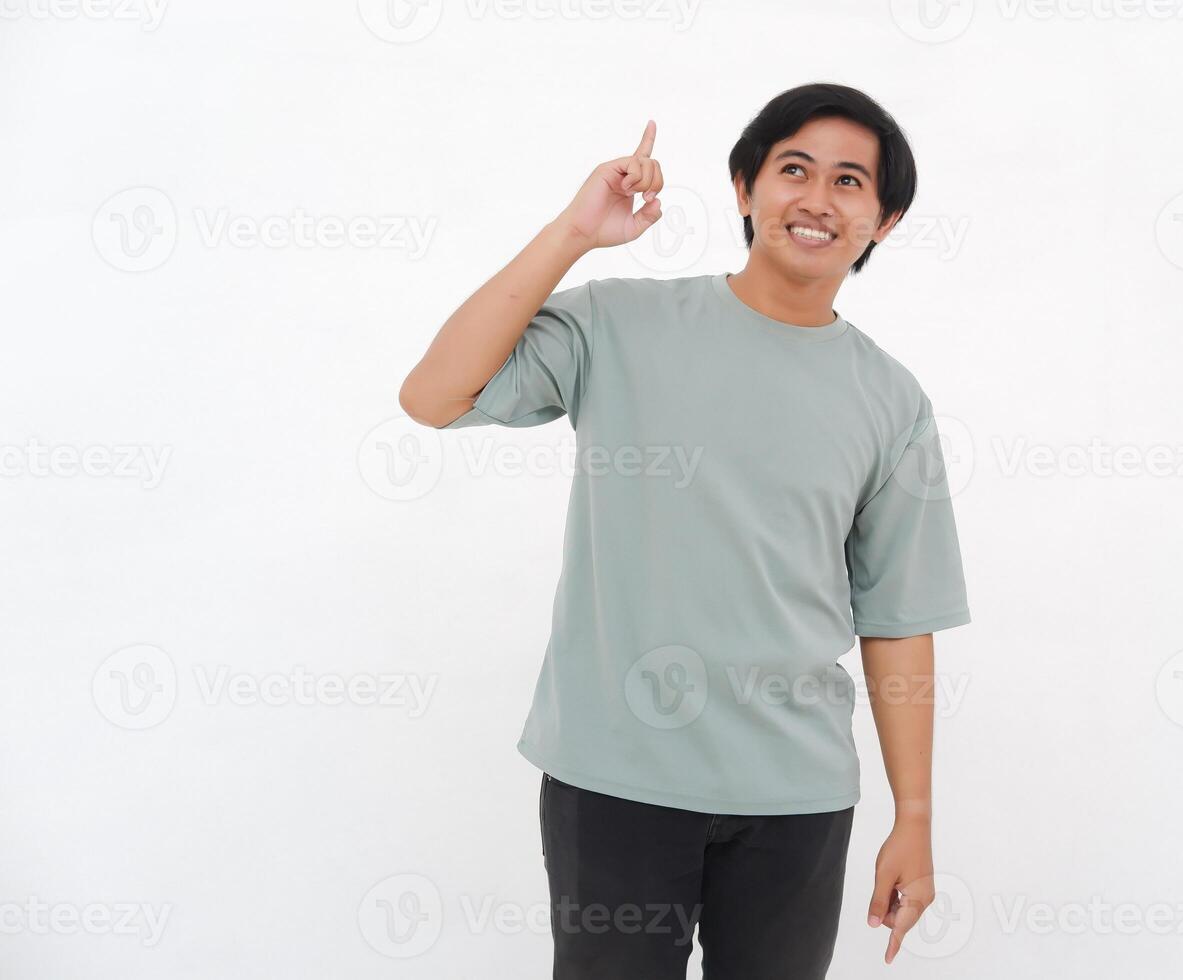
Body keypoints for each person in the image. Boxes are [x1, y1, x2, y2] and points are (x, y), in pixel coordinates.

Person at [398, 82, 971, 979]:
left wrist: (918, 820)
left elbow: (897, 618)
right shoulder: (618, 325)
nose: (817, 199)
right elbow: (434, 396)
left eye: (850, 182)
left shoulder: (892, 402)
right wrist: (574, 236)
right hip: (616, 779)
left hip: (796, 799)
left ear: (884, 221)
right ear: (744, 188)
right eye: (794, 169)